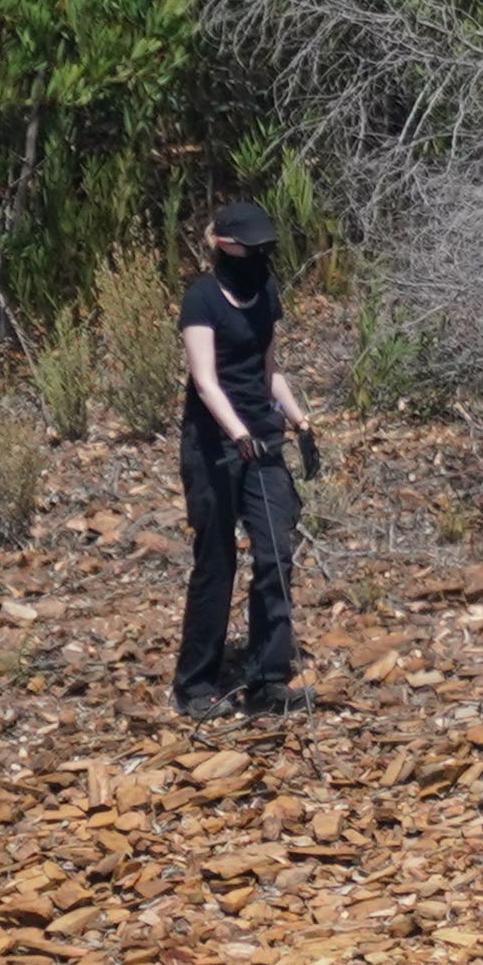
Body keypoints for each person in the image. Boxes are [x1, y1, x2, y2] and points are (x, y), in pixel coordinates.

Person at [178, 201, 322, 720]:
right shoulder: (202, 298)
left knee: (275, 556)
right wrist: (237, 433)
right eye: (251, 247)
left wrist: (300, 421)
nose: (260, 255)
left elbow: (268, 369)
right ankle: (196, 684)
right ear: (224, 246)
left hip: (262, 438)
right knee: (216, 561)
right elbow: (205, 380)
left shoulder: (265, 293)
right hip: (213, 444)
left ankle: (267, 680)